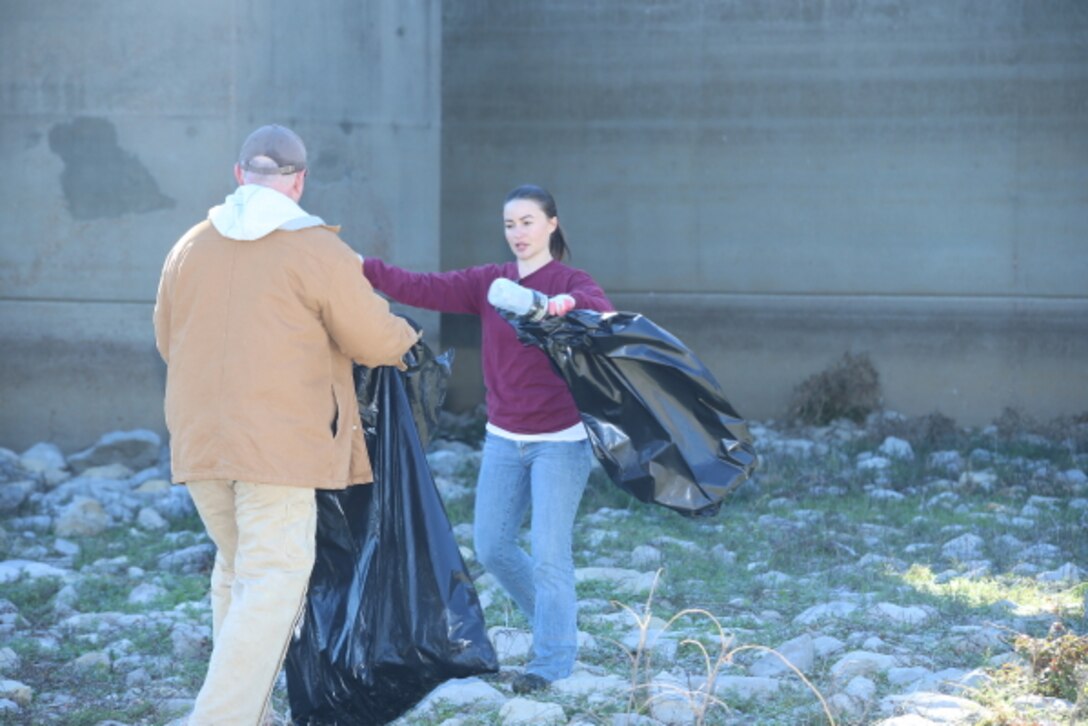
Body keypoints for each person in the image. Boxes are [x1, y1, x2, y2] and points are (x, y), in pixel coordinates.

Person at [153, 124, 419, 725]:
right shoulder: (315, 247)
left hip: (198, 445)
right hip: (279, 451)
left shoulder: (189, 245)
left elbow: (169, 340)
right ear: (298, 182)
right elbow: (372, 338)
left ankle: (256, 714)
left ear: (239, 174)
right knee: (273, 584)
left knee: (237, 570)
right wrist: (409, 341)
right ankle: (219, 720)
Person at [362, 184, 613, 693]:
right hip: (503, 439)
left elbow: (599, 313)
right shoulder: (488, 282)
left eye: (527, 222)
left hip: (561, 442)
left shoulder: (570, 280)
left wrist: (554, 304)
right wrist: (358, 267)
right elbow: (420, 287)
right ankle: (555, 622)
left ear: (551, 224)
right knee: (492, 546)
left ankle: (552, 661)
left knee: (549, 552)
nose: (517, 233)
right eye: (509, 224)